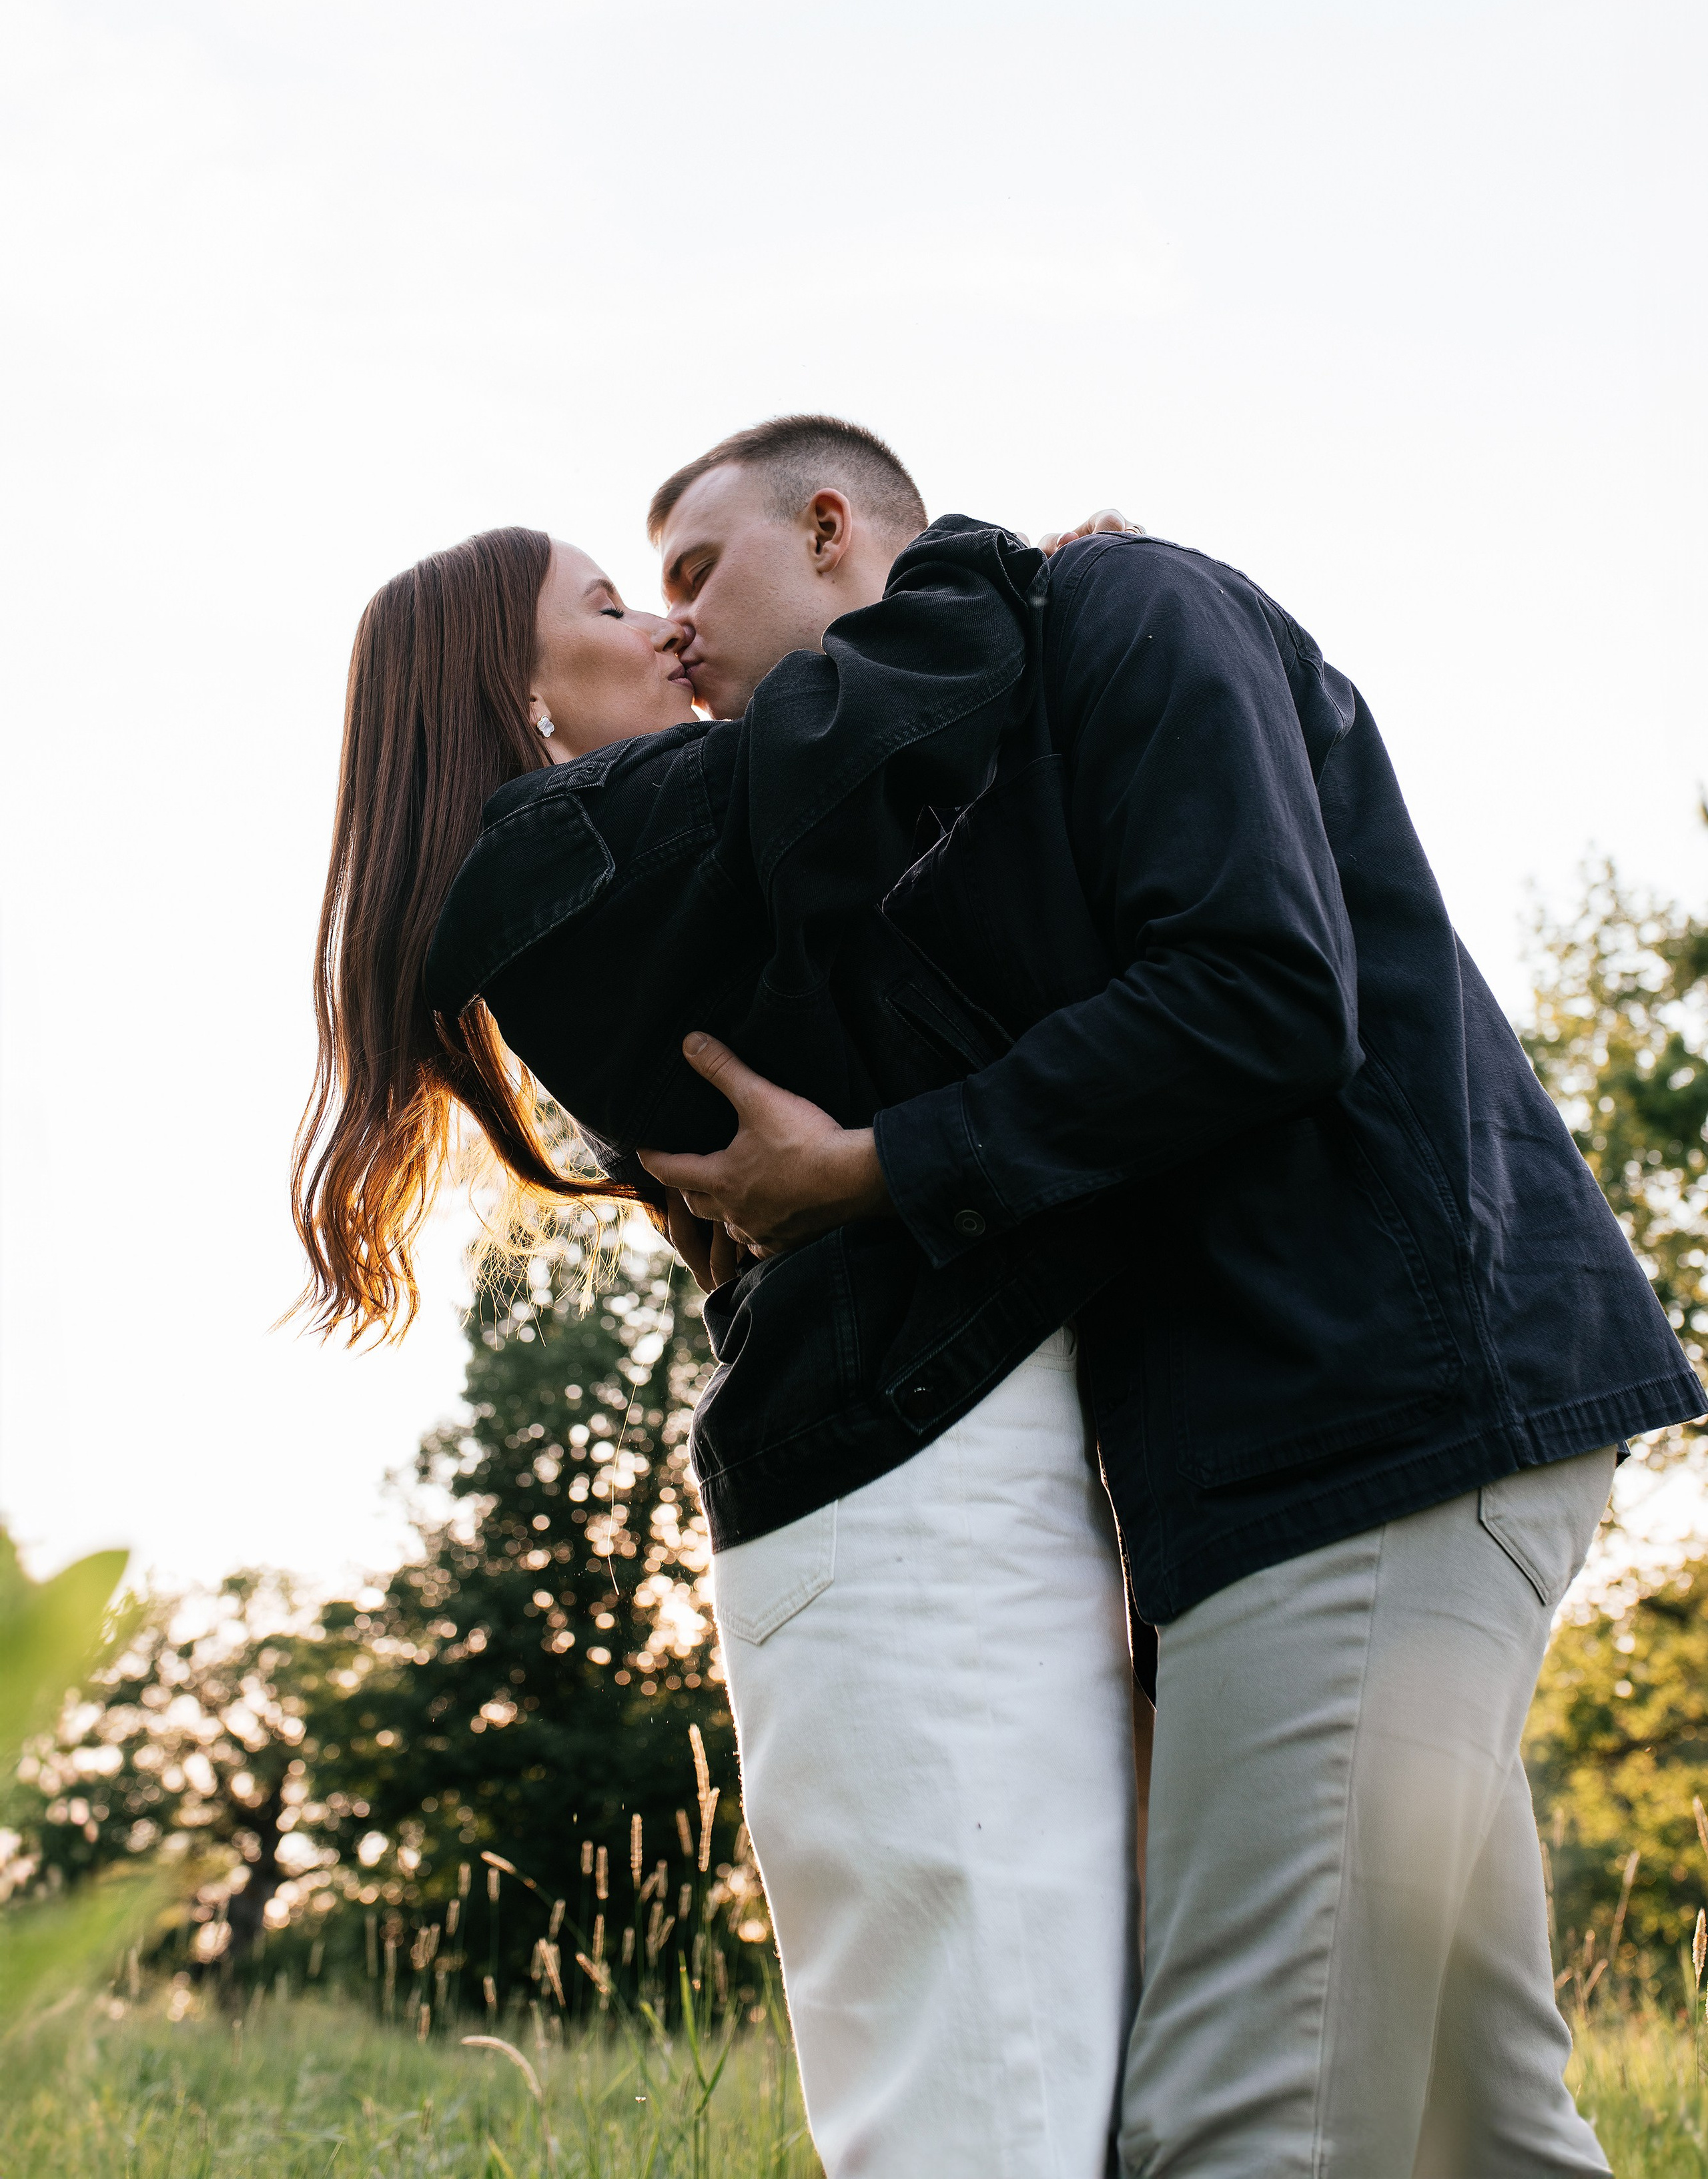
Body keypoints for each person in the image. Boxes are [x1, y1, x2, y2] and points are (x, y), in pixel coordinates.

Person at [630, 414, 1705, 2178]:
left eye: (692, 575)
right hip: (1299, 1471)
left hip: (1373, 1431)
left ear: (830, 528)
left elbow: (1266, 991)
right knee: (1475, 2136)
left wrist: (879, 1165)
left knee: (1235, 2129)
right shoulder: (939, 804)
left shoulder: (1123, 608)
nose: (672, 638)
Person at [293, 498, 1146, 2179]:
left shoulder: (622, 854)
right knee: (993, 2101)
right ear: (522, 699)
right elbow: (918, 682)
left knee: (1013, 2084)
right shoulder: (568, 841)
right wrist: (992, 550)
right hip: (909, 1513)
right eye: (614, 602)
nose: (669, 630)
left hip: (902, 1497)